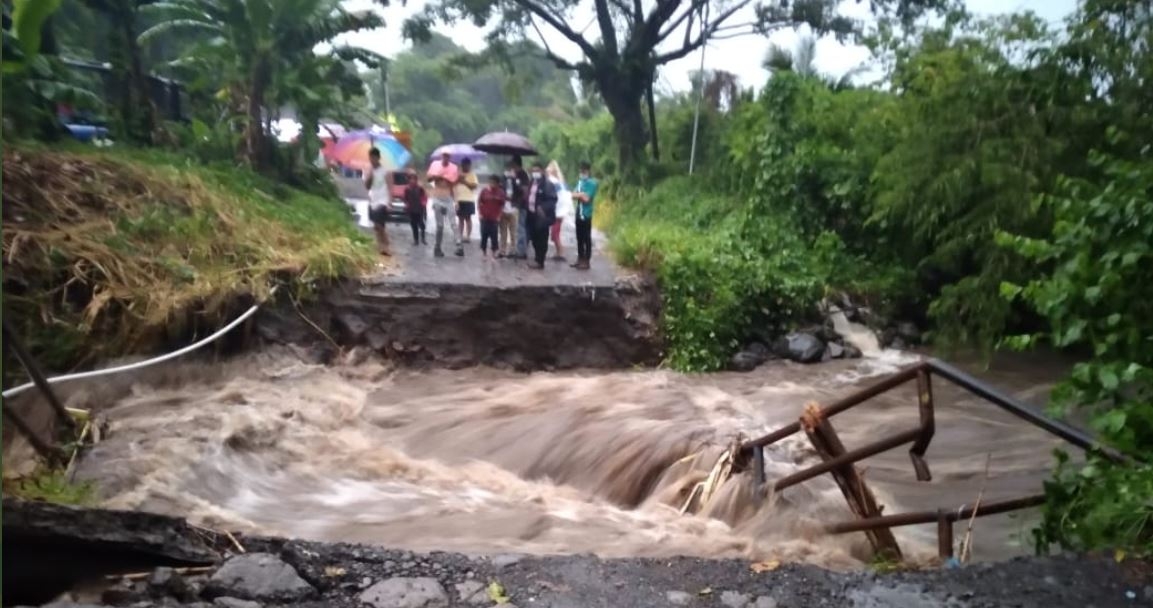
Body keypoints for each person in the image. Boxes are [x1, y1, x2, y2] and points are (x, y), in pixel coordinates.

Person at [426, 151, 462, 257]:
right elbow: (428, 179)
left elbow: (454, 185)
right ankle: (437, 247)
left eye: (448, 156)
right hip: (437, 197)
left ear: (450, 158)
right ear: (441, 157)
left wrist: (456, 201)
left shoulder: (453, 168)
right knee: (440, 225)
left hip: (448, 197)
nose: (446, 158)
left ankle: (459, 244)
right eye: (444, 156)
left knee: (453, 223)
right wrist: (436, 176)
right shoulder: (435, 165)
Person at [525, 160, 557, 269]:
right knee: (533, 237)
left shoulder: (548, 184)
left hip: (542, 216)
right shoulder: (531, 182)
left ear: (542, 171)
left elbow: (552, 200)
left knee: (541, 239)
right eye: (533, 171)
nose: (535, 173)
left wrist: (542, 208)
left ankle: (540, 261)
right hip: (531, 214)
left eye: (537, 171)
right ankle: (537, 258)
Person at [571, 160, 599, 270]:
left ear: (588, 171)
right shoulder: (580, 183)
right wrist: (581, 195)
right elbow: (572, 195)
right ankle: (580, 258)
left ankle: (586, 260)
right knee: (579, 238)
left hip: (586, 214)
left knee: (586, 238)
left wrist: (579, 195)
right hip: (578, 213)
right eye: (581, 171)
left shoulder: (592, 183)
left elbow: (587, 199)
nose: (582, 173)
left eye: (584, 171)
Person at [363, 147, 390, 256]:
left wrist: (390, 202)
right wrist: (370, 175)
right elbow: (367, 186)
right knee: (376, 226)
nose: (372, 160)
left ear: (378, 158)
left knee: (379, 224)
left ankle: (386, 244)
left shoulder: (385, 171)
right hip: (373, 199)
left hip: (383, 200)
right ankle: (381, 246)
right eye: (371, 158)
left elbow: (390, 186)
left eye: (374, 158)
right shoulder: (367, 170)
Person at [546, 160, 572, 261]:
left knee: (554, 233)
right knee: (555, 232)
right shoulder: (561, 183)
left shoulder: (553, 182)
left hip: (558, 211)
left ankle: (560, 252)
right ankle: (558, 252)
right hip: (562, 210)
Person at [477, 175, 506, 259]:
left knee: (494, 235)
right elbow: (479, 202)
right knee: (484, 234)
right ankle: (483, 252)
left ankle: (494, 252)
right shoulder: (484, 191)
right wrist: (480, 214)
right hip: (484, 217)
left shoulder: (501, 192)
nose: (492, 184)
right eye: (490, 182)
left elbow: (502, 205)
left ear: (497, 183)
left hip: (494, 217)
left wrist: (499, 216)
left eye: (494, 182)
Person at [510, 156, 531, 260]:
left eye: (512, 164)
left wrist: (515, 179)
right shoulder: (516, 175)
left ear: (516, 164)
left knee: (520, 227)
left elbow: (524, 189)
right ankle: (519, 248)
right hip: (517, 203)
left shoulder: (522, 175)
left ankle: (521, 251)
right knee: (519, 227)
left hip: (522, 205)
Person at [455, 158, 479, 243]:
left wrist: (464, 181)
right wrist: (458, 179)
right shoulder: (457, 175)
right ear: (461, 165)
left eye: (467, 165)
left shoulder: (472, 175)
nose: (465, 166)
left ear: (469, 165)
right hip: (459, 199)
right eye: (464, 165)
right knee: (460, 219)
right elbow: (453, 185)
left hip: (469, 199)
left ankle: (468, 236)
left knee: (468, 218)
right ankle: (460, 236)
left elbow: (474, 186)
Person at [402, 167, 427, 246]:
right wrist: (406, 204)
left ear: (416, 180)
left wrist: (423, 203)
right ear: (409, 180)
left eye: (414, 179)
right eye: (411, 179)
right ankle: (416, 240)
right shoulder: (407, 189)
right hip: (411, 209)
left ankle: (423, 238)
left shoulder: (420, 188)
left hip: (419, 208)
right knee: (413, 224)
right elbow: (405, 198)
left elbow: (424, 196)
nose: (412, 181)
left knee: (421, 224)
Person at [498, 165, 519, 258]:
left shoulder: (516, 180)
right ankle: (502, 250)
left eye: (511, 170)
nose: (509, 172)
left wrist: (514, 180)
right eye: (508, 170)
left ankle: (513, 250)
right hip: (503, 208)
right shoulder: (502, 180)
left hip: (513, 208)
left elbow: (520, 191)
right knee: (503, 231)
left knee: (513, 231)